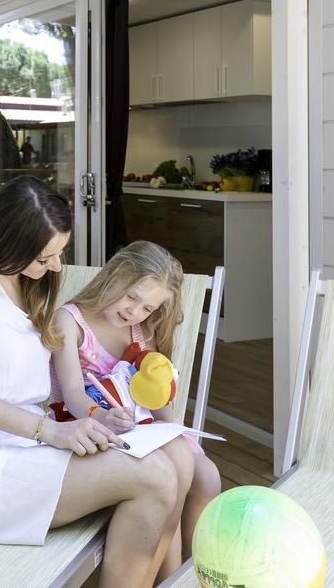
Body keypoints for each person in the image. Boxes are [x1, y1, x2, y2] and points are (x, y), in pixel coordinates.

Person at [0, 176, 195, 588]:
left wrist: (91, 418)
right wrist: (52, 432)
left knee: (169, 463)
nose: (58, 267)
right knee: (154, 477)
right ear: (12, 239)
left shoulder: (29, 283)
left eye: (60, 253)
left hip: (28, 444)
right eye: (47, 256)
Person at [49, 240, 222, 578]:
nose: (134, 311)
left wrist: (172, 422)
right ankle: (164, 575)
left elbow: (156, 401)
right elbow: (71, 394)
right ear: (114, 274)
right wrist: (101, 415)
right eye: (131, 297)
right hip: (90, 425)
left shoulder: (141, 330)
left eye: (147, 307)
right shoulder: (70, 321)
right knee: (178, 467)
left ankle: (188, 573)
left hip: (142, 428)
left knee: (208, 475)